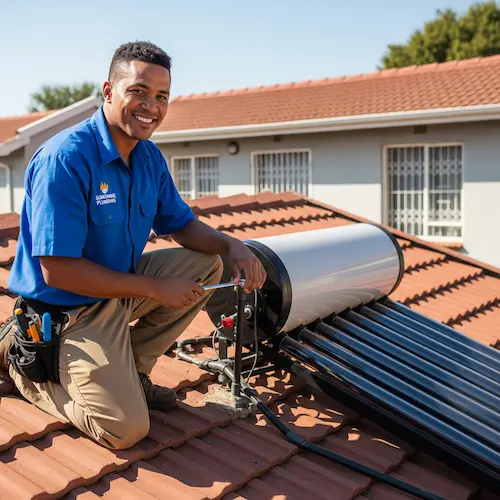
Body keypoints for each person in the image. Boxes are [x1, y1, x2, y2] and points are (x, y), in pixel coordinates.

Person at [0, 41, 266, 450]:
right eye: (138, 91)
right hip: (67, 310)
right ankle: (19, 363)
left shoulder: (149, 158)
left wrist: (233, 245)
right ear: (108, 91)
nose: (151, 106)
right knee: (125, 430)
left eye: (161, 96)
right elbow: (58, 270)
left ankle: (134, 372)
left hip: (119, 290)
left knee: (208, 264)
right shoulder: (65, 159)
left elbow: (183, 227)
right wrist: (155, 289)